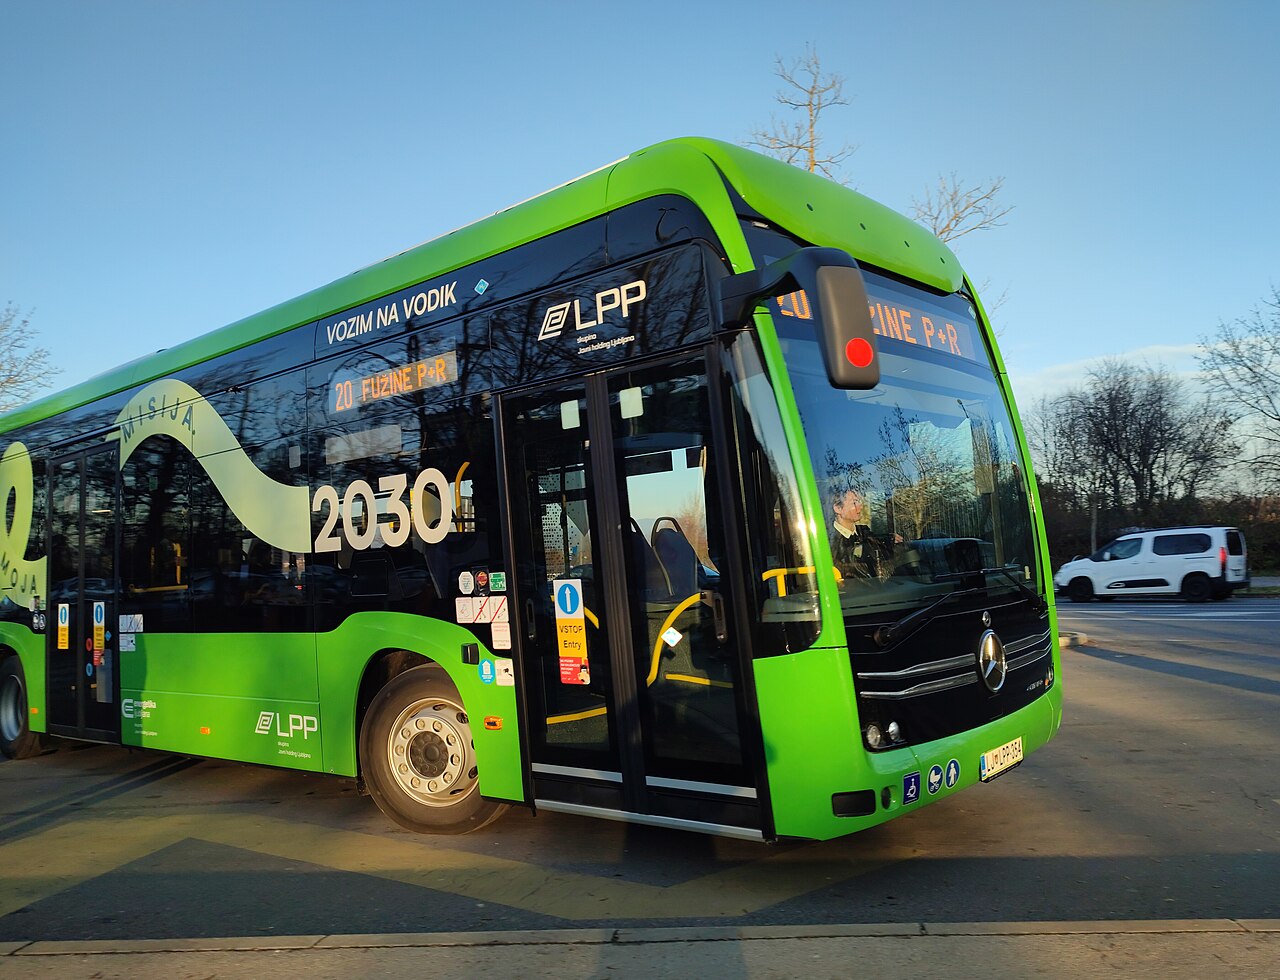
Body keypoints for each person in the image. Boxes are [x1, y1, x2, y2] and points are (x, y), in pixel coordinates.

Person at [830, 488, 897, 581]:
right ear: (838, 508)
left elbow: (883, 556)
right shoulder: (828, 541)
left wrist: (891, 540)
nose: (860, 506)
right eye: (854, 502)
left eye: (860, 502)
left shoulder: (864, 533)